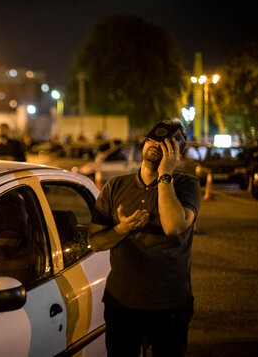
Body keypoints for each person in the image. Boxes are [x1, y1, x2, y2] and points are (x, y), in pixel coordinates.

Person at [88, 119, 201, 357]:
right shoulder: (115, 186)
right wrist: (122, 229)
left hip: (169, 303)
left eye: (167, 142)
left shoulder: (186, 185)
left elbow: (173, 226)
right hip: (122, 303)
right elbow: (95, 242)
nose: (157, 144)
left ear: (177, 154)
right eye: (153, 138)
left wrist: (165, 176)